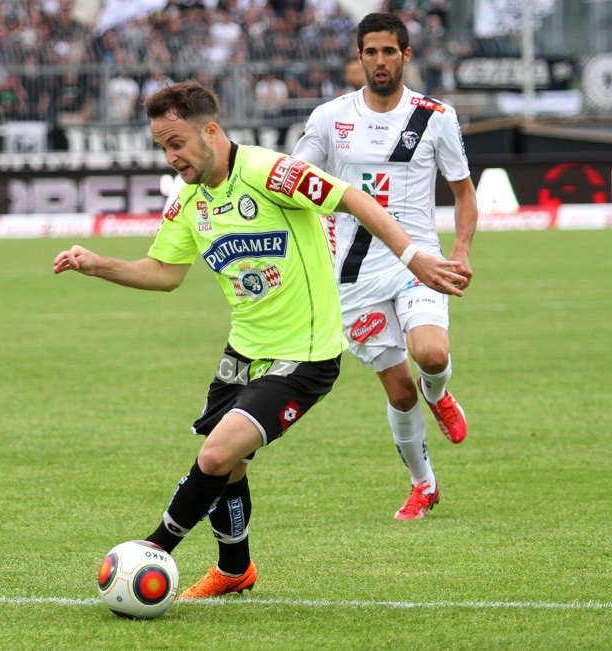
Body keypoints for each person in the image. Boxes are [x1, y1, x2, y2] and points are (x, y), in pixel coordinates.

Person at [54, 81, 464, 598]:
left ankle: (150, 551)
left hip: (305, 354)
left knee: (214, 455)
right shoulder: (190, 202)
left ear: (210, 130)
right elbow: (164, 272)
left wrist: (415, 257)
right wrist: (98, 266)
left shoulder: (270, 172)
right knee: (227, 464)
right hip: (244, 351)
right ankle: (234, 570)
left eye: (176, 143)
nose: (171, 157)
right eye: (162, 147)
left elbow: (353, 198)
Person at [292, 13, 477, 521]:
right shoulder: (330, 117)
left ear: (406, 56)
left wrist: (460, 249)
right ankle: (424, 484)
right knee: (398, 388)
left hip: (417, 258)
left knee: (432, 355)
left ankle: (438, 392)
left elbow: (463, 192)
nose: (379, 61)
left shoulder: (436, 115)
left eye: (389, 52)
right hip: (353, 275)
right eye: (370, 52)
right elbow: (295, 176)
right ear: (358, 56)